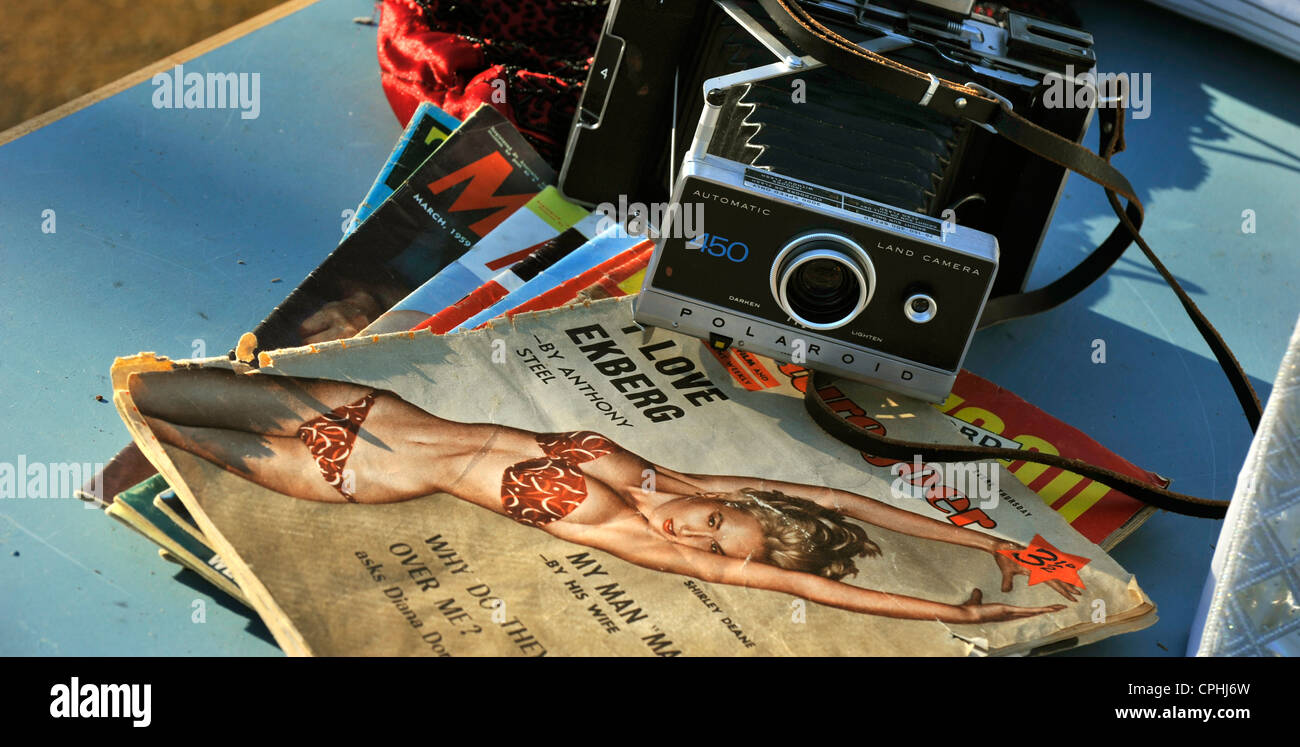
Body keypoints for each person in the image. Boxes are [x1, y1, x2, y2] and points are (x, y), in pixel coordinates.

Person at [129, 366, 1075, 624]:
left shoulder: (647, 538)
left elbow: (825, 588)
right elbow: (859, 511)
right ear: (750, 505)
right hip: (366, 405)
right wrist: (1001, 546)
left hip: (361, 472)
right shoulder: (697, 487)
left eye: (711, 546)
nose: (693, 530)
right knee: (148, 388)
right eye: (715, 522)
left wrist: (953, 609)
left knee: (156, 428)